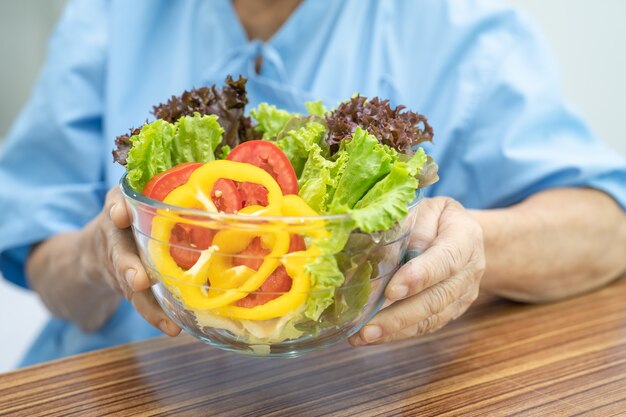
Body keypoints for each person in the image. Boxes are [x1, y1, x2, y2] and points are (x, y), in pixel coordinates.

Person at [1, 0, 625, 366]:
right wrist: (96, 257)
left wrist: (472, 245)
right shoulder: (109, 17)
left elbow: (606, 228)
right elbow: (44, 263)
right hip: (123, 383)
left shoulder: (459, 26)